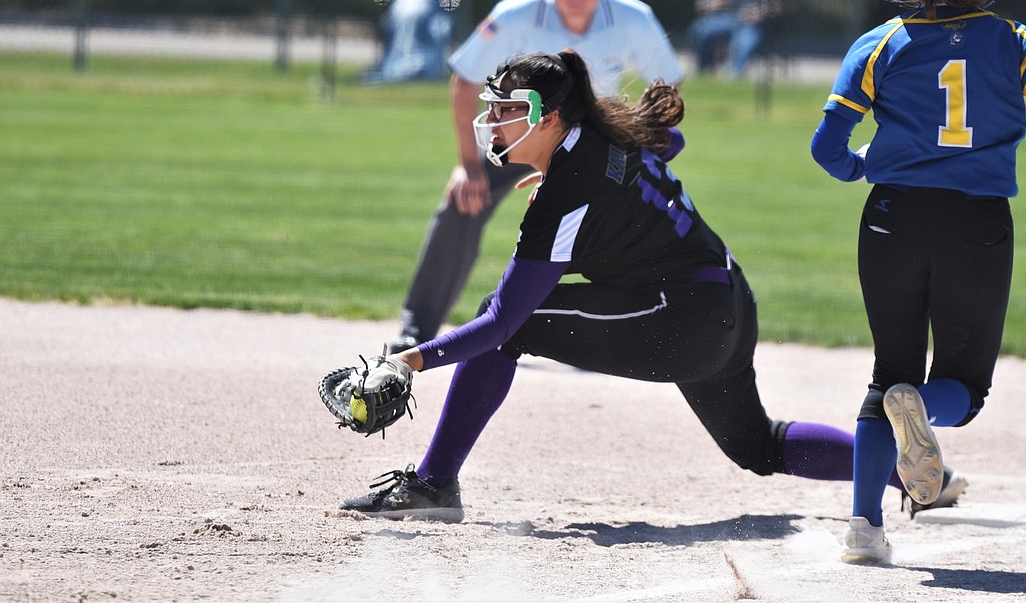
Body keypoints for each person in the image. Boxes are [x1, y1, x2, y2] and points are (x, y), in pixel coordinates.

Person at [339, 50, 962, 521]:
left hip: (683, 319)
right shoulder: (604, 133)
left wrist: (411, 360)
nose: (494, 121)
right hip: (726, 300)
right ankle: (900, 472)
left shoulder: (567, 194)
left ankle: (433, 483)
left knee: (513, 328)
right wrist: (593, 194)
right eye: (494, 109)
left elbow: (503, 319)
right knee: (757, 445)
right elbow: (669, 141)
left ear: (550, 120)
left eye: (509, 112)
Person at [810, 0, 1026, 564]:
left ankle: (863, 530)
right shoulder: (1013, 39)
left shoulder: (877, 43)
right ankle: (924, 409)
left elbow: (828, 146)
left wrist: (858, 169)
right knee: (963, 387)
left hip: (890, 218)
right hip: (975, 223)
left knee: (885, 378)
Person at [387, 0, 684, 353]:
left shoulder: (635, 18)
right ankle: (416, 329)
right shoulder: (515, 13)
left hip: (588, 144)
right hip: (514, 135)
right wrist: (468, 165)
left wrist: (629, 152)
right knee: (461, 202)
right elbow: (465, 80)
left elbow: (666, 90)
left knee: (620, 221)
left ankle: (606, 332)